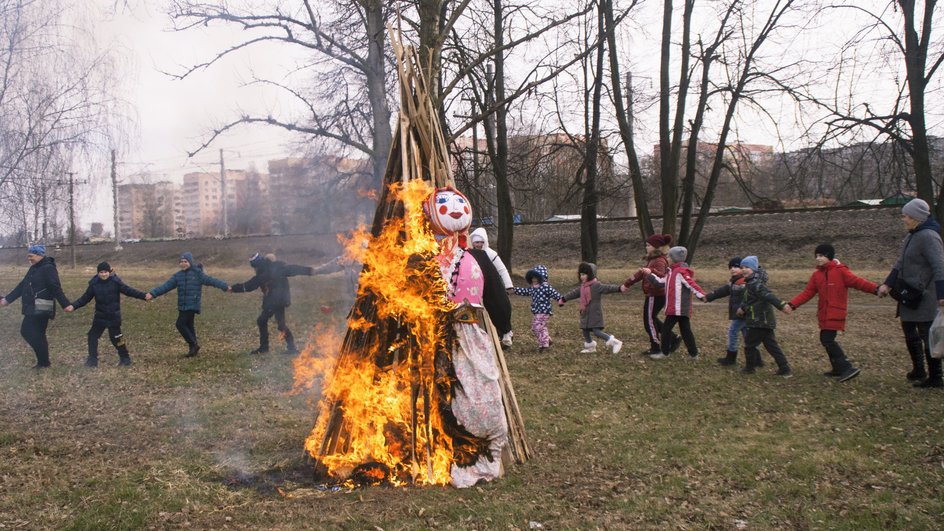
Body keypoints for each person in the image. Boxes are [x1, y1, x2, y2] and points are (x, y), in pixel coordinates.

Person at [877, 198, 944, 388]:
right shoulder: (911, 236)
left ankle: (936, 377)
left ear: (916, 217)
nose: (903, 219)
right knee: (909, 330)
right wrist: (887, 284)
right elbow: (899, 263)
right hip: (908, 294)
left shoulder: (929, 237)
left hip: (925, 296)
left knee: (926, 335)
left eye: (906, 216)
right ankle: (918, 370)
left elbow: (940, 266)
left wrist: (942, 294)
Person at [786, 244, 877, 382]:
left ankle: (847, 367)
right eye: (816, 256)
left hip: (836, 313)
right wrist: (792, 305)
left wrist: (876, 289)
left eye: (821, 255)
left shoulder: (841, 272)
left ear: (829, 256)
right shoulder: (817, 275)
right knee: (826, 339)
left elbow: (859, 283)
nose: (818, 258)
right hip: (823, 314)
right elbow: (808, 292)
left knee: (827, 339)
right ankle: (838, 368)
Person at [0, 244, 73, 368]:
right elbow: (22, 285)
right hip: (32, 306)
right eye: (28, 256)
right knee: (36, 333)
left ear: (39, 255)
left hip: (42, 306)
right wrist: (7, 300)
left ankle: (44, 362)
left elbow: (55, 287)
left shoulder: (48, 268)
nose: (29, 259)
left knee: (27, 331)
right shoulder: (35, 267)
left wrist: (65, 304)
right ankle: (43, 362)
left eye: (31, 256)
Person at [145, 252, 229, 358]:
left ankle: (193, 344)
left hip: (192, 304)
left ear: (190, 262)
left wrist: (225, 286)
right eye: (181, 262)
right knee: (189, 326)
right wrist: (153, 294)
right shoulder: (178, 276)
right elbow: (166, 286)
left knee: (180, 324)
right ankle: (193, 349)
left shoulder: (197, 274)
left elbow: (211, 280)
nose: (183, 264)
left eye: (185, 262)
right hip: (182, 305)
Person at [230, 252, 314, 354]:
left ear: (257, 265)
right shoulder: (277, 267)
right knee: (280, 324)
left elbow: (248, 286)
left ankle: (265, 348)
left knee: (262, 321)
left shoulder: (263, 274)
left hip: (274, 301)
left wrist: (233, 288)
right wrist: (309, 270)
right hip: (281, 300)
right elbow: (294, 269)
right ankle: (291, 348)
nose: (254, 270)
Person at [70, 262, 148, 367]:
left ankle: (125, 358)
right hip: (100, 316)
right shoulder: (94, 284)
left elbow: (129, 291)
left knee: (117, 338)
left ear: (109, 272)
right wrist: (73, 306)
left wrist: (143, 296)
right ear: (98, 273)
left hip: (113, 316)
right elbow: (85, 299)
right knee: (92, 336)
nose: (103, 274)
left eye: (105, 272)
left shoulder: (115, 282)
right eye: (101, 272)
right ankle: (92, 360)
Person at [643, 246, 706, 360]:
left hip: (678, 308)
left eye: (669, 256)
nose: (667, 258)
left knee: (666, 329)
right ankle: (694, 354)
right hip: (675, 308)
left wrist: (702, 295)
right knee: (685, 330)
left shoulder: (680, 272)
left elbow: (691, 284)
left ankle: (665, 353)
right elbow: (661, 282)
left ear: (674, 258)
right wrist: (650, 274)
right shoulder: (671, 272)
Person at [736, 256, 793, 377]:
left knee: (750, 345)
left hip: (759, 320)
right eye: (742, 267)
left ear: (754, 269)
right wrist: (742, 307)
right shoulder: (750, 284)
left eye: (747, 267)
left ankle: (750, 368)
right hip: (762, 321)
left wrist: (782, 305)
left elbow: (769, 296)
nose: (744, 270)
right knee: (771, 345)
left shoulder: (757, 285)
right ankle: (784, 367)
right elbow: (749, 300)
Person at [622, 233, 678, 355]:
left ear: (656, 247)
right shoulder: (652, 260)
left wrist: (651, 271)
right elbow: (640, 274)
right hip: (653, 294)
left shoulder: (659, 261)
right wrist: (627, 283)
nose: (646, 247)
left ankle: (656, 346)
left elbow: (663, 277)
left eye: (648, 245)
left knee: (649, 321)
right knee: (651, 319)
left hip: (656, 295)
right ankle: (673, 338)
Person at [559, 262, 625, 354]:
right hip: (585, 312)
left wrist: (619, 288)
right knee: (585, 330)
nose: (582, 277)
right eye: (581, 274)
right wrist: (563, 299)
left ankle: (614, 342)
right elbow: (573, 293)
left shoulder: (596, 285)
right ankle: (590, 347)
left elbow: (608, 288)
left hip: (595, 313)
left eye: (584, 274)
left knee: (596, 331)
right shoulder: (582, 287)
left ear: (590, 275)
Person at [469, 227, 515, 348]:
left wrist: (509, 285)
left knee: (499, 306)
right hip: (477, 288)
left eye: (481, 242)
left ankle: (505, 333)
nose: (479, 244)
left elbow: (502, 270)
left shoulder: (491, 254)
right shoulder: (469, 255)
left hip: (492, 286)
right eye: (476, 242)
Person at [704, 257, 748, 366]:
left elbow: (748, 298)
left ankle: (731, 358)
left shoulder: (743, 282)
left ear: (743, 268)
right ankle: (756, 359)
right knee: (748, 337)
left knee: (732, 332)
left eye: (736, 267)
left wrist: (743, 308)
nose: (733, 269)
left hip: (742, 314)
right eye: (731, 267)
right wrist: (709, 297)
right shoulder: (735, 281)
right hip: (741, 314)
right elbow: (723, 291)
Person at [511, 265, 562, 352]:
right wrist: (514, 290)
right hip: (537, 311)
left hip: (544, 311)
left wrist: (561, 300)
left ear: (542, 278)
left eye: (536, 278)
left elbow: (555, 294)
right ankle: (547, 339)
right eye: (532, 278)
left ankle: (544, 345)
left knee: (539, 326)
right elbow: (525, 291)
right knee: (535, 327)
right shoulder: (533, 288)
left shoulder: (546, 287)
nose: (534, 280)